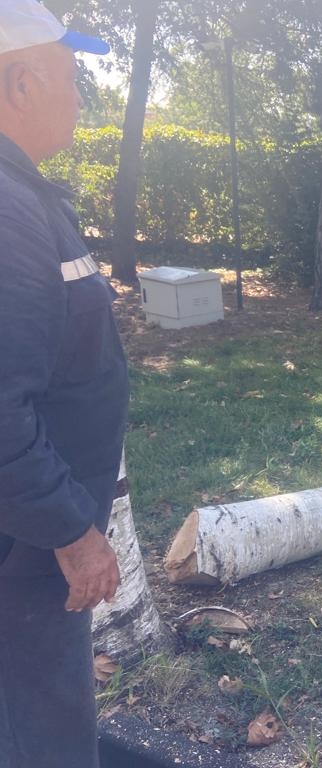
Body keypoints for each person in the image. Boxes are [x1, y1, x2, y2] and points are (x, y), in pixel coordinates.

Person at [0, 3, 127, 767]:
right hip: (29, 556)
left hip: (30, 539)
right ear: (18, 82)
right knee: (43, 737)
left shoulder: (24, 196)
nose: (81, 97)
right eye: (70, 79)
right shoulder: (7, 212)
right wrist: (74, 537)